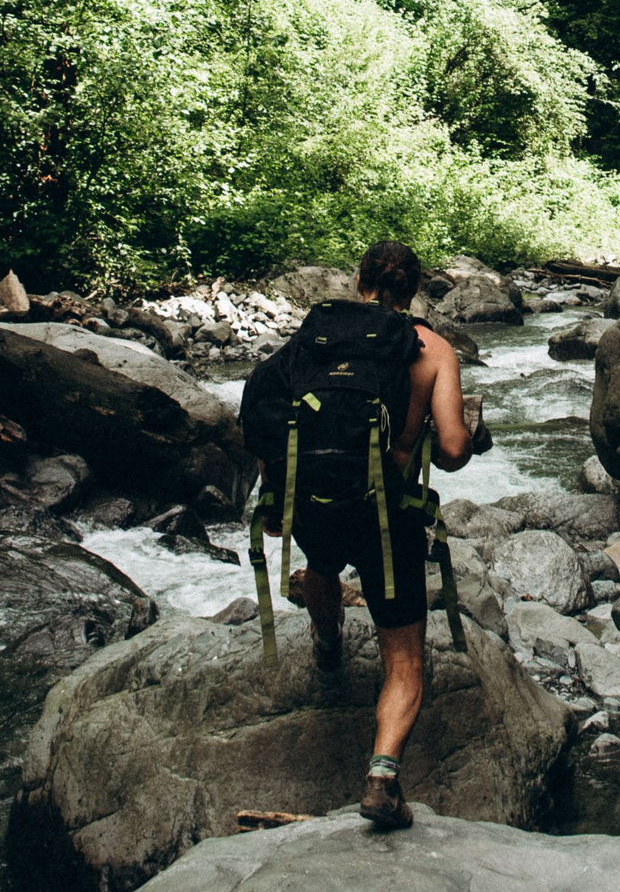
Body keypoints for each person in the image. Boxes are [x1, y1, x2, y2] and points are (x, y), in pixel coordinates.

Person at [239, 241, 491, 830]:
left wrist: (275, 492)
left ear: (360, 281)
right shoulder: (431, 349)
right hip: (388, 516)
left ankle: (327, 646)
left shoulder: (314, 338)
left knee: (322, 568)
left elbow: (268, 411)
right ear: (415, 290)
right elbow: (452, 451)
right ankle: (382, 779)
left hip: (318, 502)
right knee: (403, 659)